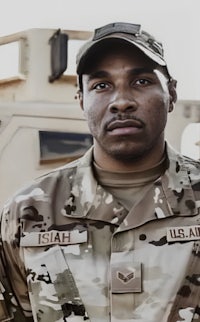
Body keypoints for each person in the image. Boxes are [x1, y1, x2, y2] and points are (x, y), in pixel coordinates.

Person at [0, 21, 200, 322]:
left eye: (142, 81)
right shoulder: (26, 213)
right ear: (81, 100)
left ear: (171, 94)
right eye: (101, 86)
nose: (122, 102)